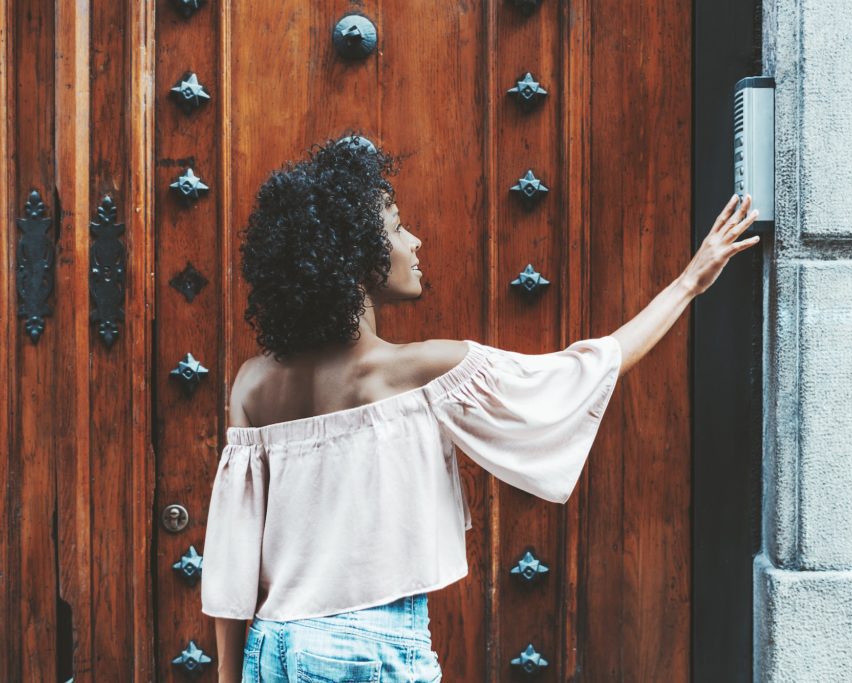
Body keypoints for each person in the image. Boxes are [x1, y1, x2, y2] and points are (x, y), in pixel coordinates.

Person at [200, 134, 760, 683]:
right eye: (397, 227)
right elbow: (581, 373)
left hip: (272, 647)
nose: (414, 241)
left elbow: (232, 555)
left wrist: (230, 672)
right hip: (369, 652)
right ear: (358, 259)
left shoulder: (252, 386)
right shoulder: (420, 371)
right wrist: (689, 283)